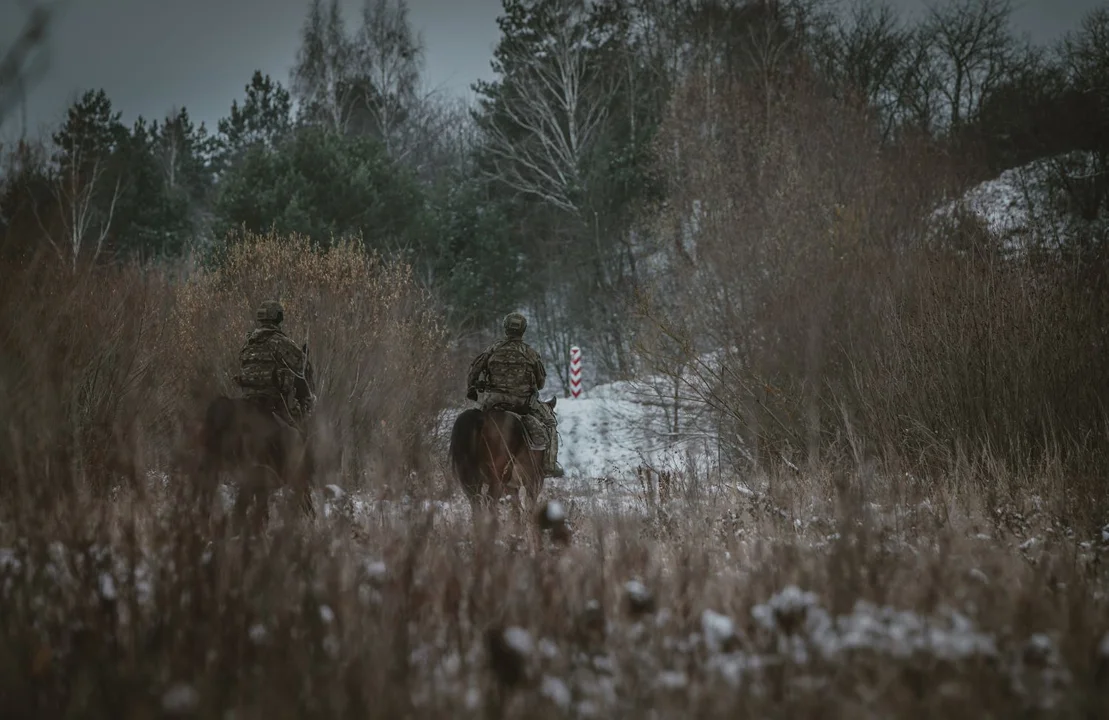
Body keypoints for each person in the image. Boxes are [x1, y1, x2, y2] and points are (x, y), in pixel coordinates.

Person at [467, 312, 564, 478]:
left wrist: (474, 388)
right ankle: (549, 465)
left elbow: (473, 372)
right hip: (522, 403)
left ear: (505, 328)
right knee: (549, 422)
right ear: (523, 330)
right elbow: (540, 384)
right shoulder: (530, 353)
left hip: (493, 401)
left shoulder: (492, 349)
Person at [235, 300, 316, 432]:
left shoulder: (248, 343)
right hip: (274, 400)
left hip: (248, 398)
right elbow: (302, 367)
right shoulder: (280, 341)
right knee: (301, 429)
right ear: (278, 317)